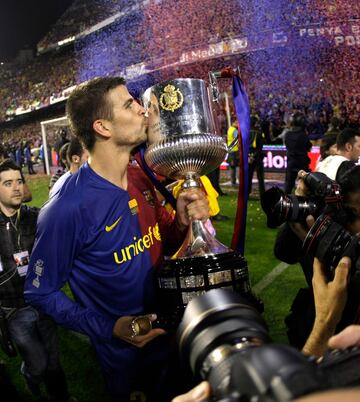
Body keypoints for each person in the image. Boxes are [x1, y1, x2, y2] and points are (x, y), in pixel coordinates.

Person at [24, 76, 210, 402]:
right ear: (103, 128)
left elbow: (162, 241)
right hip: (127, 355)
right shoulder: (66, 208)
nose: (143, 110)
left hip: (175, 330)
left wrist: (180, 223)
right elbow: (40, 291)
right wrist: (109, 327)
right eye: (129, 104)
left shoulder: (141, 175)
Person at [0, 159, 73, 401]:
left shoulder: (37, 217)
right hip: (14, 311)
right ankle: (29, 375)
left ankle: (60, 397)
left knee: (53, 360)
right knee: (38, 364)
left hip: (43, 303)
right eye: (8, 183)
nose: (16, 187)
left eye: (19, 181)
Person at [284, 112, 312, 193]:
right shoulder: (303, 135)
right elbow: (308, 147)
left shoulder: (288, 134)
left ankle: (286, 204)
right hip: (302, 163)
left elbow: (287, 145)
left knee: (288, 186)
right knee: (305, 186)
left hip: (291, 162)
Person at [248, 115, 265, 199]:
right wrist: (254, 156)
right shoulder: (259, 133)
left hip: (248, 157)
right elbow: (260, 147)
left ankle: (247, 194)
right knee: (260, 178)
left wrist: (249, 156)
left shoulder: (246, 132)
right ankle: (263, 194)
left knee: (248, 177)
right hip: (258, 157)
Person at [227, 121, 239, 187]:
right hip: (235, 151)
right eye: (237, 123)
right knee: (237, 167)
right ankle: (235, 182)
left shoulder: (230, 129)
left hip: (230, 150)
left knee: (232, 167)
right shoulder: (235, 130)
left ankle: (233, 182)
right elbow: (237, 140)